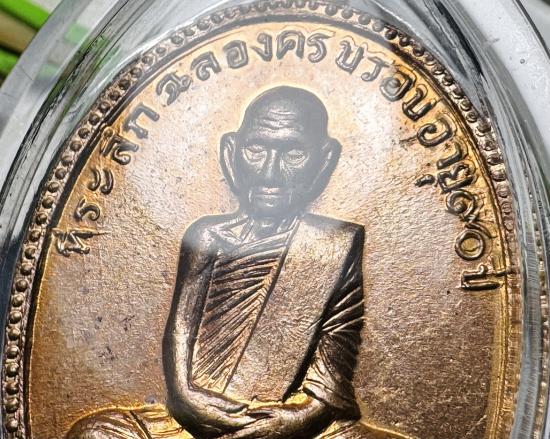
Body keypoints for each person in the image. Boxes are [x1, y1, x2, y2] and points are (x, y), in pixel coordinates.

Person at [68, 87, 410, 439]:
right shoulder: (206, 237)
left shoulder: (334, 246)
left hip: (290, 426)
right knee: (94, 434)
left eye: (293, 152)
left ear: (324, 160)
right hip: (194, 423)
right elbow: (180, 336)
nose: (270, 173)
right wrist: (189, 400)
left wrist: (294, 421)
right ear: (231, 151)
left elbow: (331, 374)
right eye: (256, 149)